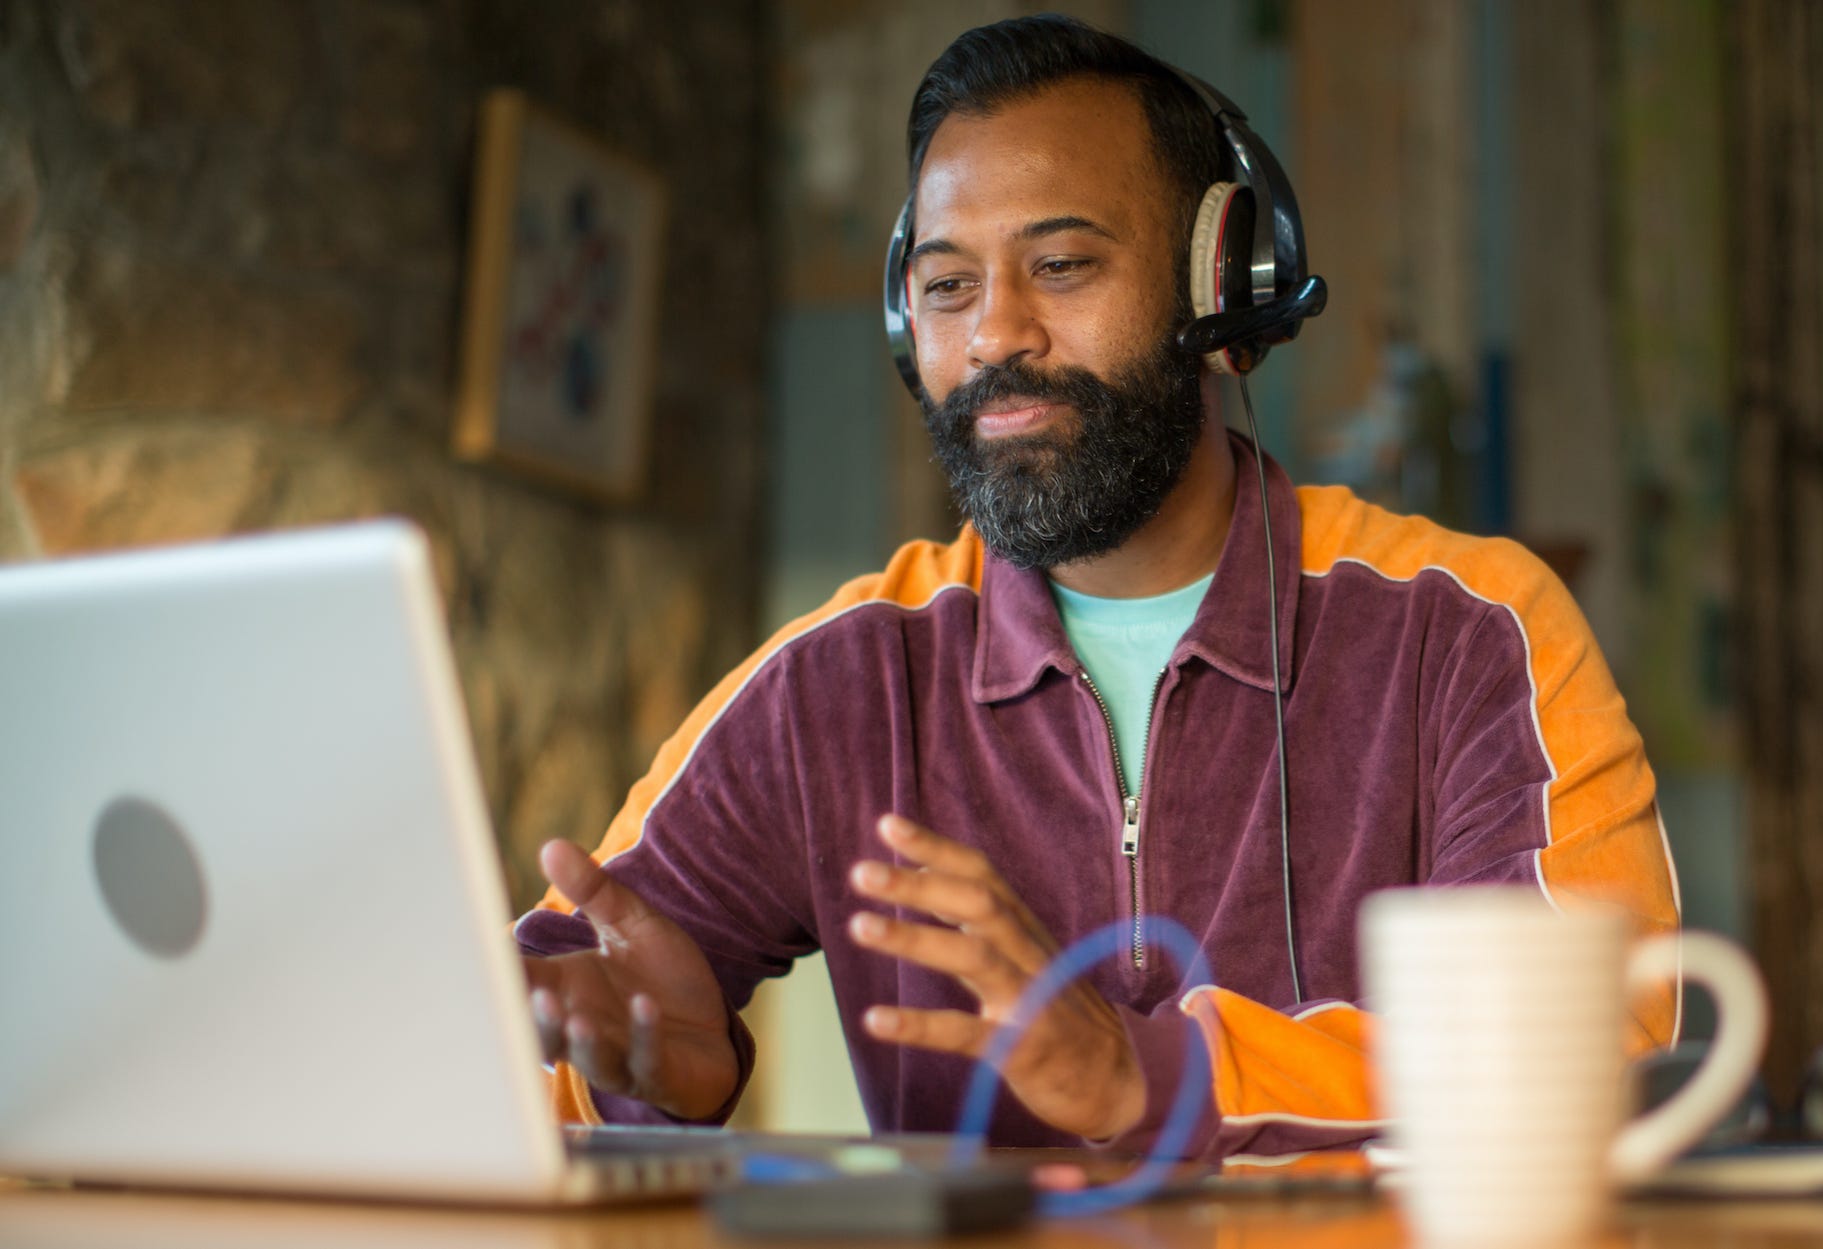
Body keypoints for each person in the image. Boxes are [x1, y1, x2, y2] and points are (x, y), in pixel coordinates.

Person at [512, 14, 1681, 1159]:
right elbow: (550, 1022)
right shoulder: (844, 679)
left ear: (1221, 285)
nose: (995, 336)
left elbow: (1595, 1047)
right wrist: (653, 1086)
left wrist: (1145, 1076)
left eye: (1061, 265)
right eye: (948, 285)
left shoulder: (1466, 627)